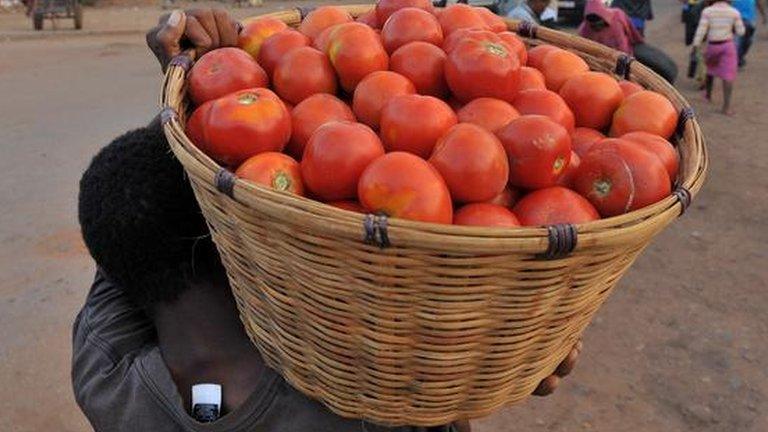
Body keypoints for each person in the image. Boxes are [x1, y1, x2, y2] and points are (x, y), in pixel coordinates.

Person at [72, 8, 582, 432]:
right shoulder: (365, 391)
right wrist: (496, 356)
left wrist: (195, 85)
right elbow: (440, 374)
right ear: (235, 242)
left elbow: (124, 224)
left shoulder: (105, 377)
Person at [579, 0, 678, 83]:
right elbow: (582, 50)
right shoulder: (584, 29)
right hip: (602, 65)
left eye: (598, 20)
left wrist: (639, 42)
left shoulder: (617, 16)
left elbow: (632, 32)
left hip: (625, 57)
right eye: (592, 22)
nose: (596, 25)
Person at [692, 0, 745, 114]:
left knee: (710, 69)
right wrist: (731, 29)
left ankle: (708, 95)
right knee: (728, 76)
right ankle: (726, 108)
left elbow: (701, 30)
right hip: (727, 45)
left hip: (712, 46)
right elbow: (741, 32)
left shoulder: (707, 11)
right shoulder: (734, 12)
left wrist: (696, 45)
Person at [731, 0, 767, 67]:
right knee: (737, 40)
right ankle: (736, 59)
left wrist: (763, 15)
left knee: (748, 41)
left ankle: (739, 57)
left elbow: (759, 4)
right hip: (736, 19)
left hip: (750, 19)